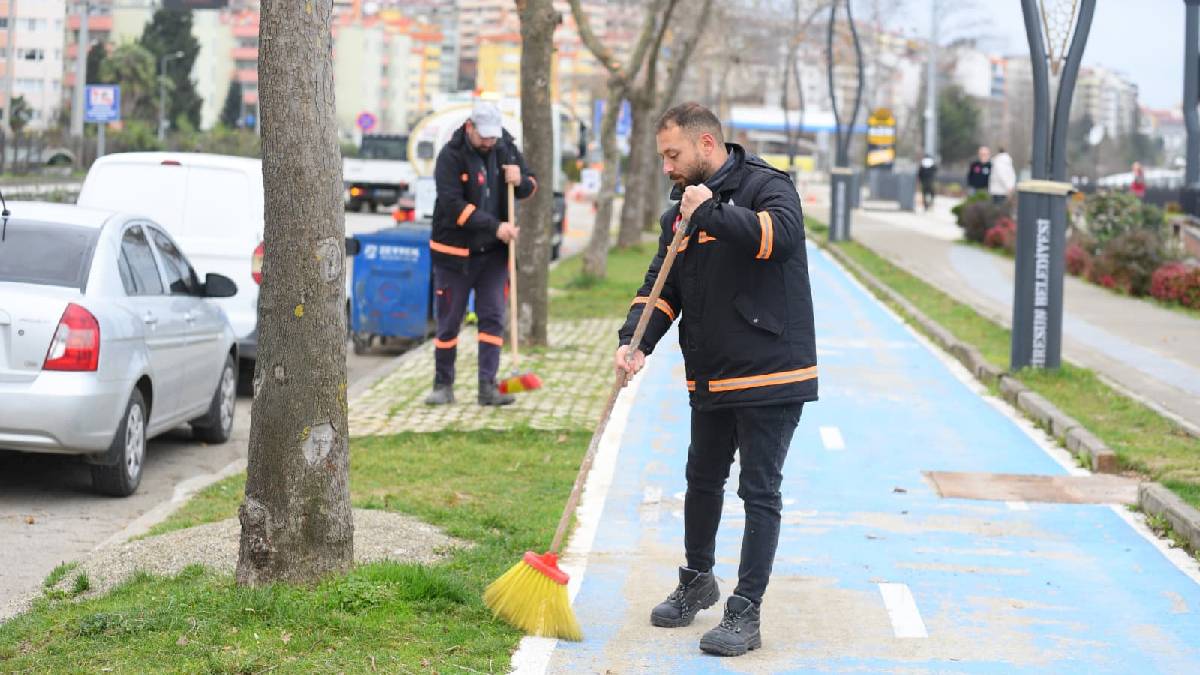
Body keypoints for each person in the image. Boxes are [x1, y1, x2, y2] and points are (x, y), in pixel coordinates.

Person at [614, 102, 817, 657]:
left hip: (774, 371)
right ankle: (697, 579)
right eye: (661, 157)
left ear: (707, 145)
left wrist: (710, 214)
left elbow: (781, 238)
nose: (667, 167)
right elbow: (663, 285)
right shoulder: (680, 211)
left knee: (759, 489)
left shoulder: (767, 186)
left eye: (672, 154)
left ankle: (745, 612)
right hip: (712, 373)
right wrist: (635, 342)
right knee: (701, 478)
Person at [425, 101, 537, 407]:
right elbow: (452, 205)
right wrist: (495, 226)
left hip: (494, 256)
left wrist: (521, 181)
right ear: (470, 127)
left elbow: (530, 185)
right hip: (454, 255)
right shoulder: (450, 156)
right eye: (484, 135)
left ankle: (488, 386)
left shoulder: (506, 148)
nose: (489, 141)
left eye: (493, 136)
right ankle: (442, 384)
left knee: (492, 318)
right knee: (449, 320)